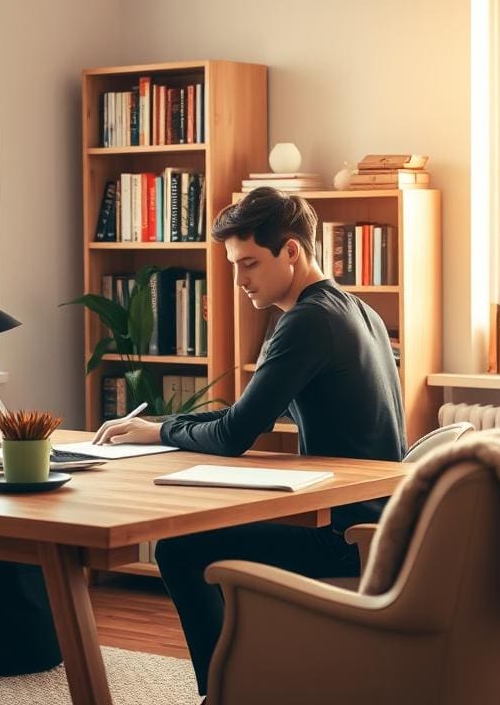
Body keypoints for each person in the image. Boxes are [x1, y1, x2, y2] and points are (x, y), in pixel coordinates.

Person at [93, 186, 407, 698]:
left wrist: (158, 430)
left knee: (179, 548)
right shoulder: (356, 310)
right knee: (213, 535)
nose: (239, 281)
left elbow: (235, 435)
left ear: (291, 251)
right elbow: (248, 415)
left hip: (348, 541)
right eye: (234, 265)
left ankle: (224, 693)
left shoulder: (307, 321)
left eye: (249, 264)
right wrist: (173, 425)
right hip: (379, 527)